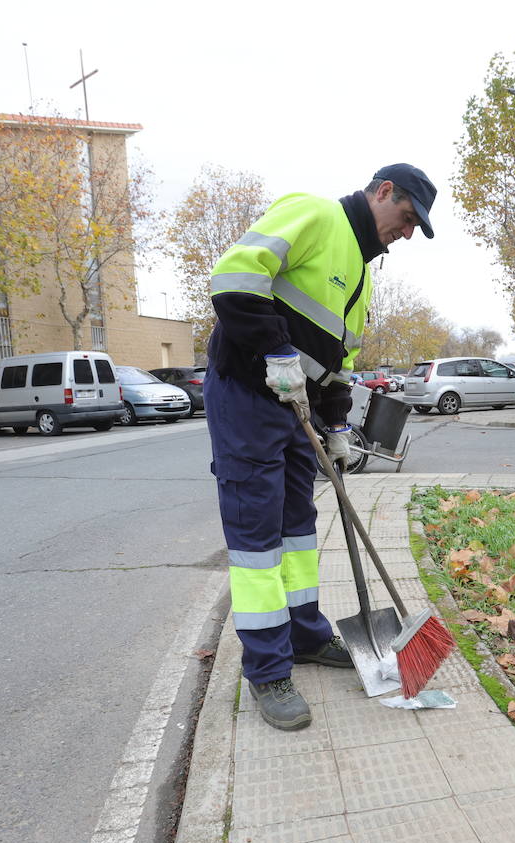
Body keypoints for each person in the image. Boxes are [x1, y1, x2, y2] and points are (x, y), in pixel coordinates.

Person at [204, 164, 436, 730]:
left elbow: (340, 363)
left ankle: (305, 636)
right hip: (248, 394)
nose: (407, 233)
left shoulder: (362, 271)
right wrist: (274, 351)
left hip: (297, 409)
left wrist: (336, 426)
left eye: (414, 227)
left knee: (298, 529)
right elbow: (233, 278)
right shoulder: (316, 214)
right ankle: (267, 669)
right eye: (407, 217)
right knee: (258, 537)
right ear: (383, 192)